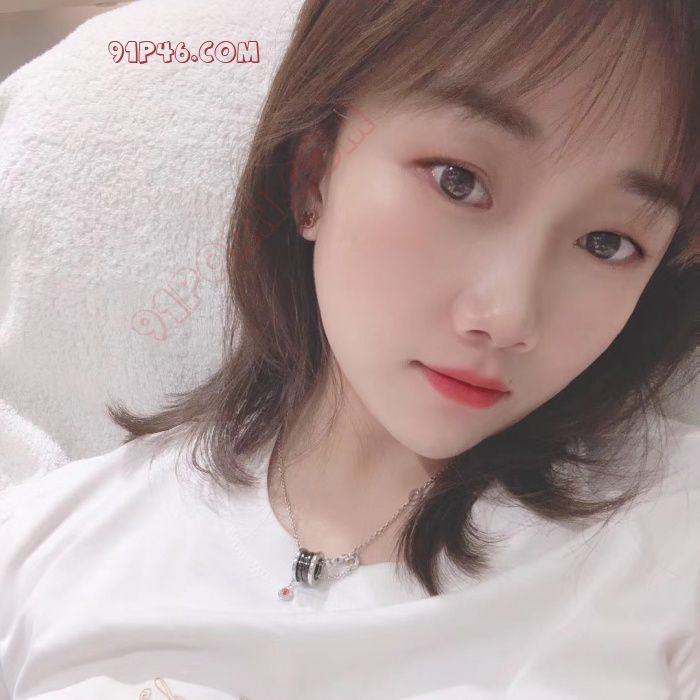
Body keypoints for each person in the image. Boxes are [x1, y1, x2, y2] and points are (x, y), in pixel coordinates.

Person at [1, 1, 699, 698]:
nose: (509, 316)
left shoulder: (673, 544)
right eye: (459, 181)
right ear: (314, 176)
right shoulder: (43, 557)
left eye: (608, 243)